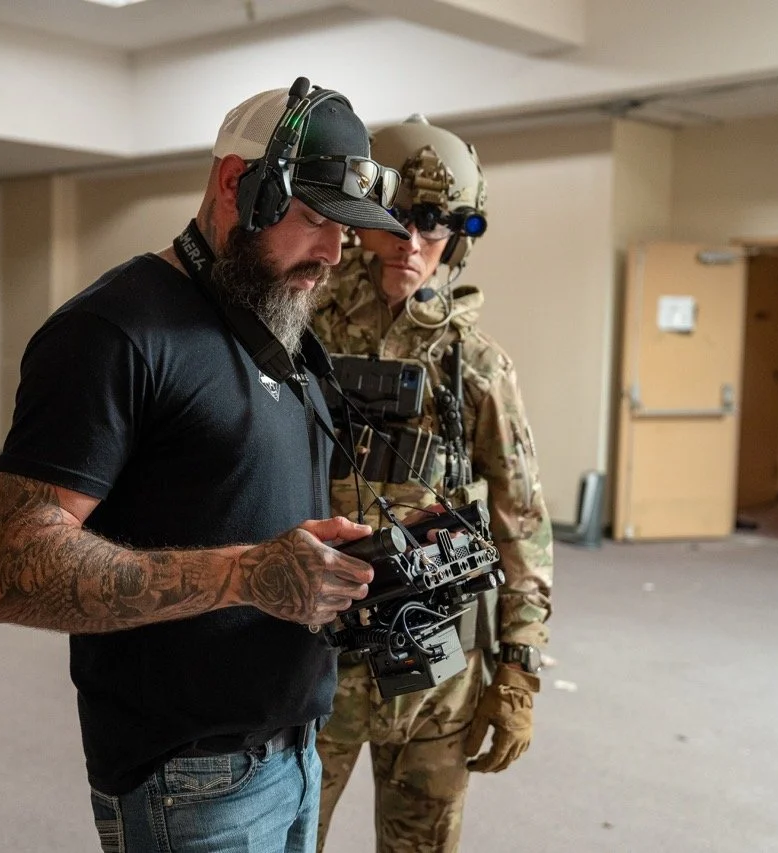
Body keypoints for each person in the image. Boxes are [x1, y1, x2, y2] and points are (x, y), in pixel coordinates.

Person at [0, 79, 411, 852]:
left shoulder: (278, 324)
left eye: (345, 229)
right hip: (192, 782)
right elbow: (8, 570)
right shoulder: (110, 332)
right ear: (237, 184)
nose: (334, 255)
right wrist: (246, 575)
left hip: (301, 748)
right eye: (314, 219)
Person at [311, 115, 554, 852]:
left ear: (458, 233)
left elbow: (522, 526)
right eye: (393, 219)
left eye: (433, 223)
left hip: (434, 668)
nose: (410, 244)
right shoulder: (297, 336)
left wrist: (518, 669)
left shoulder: (476, 365)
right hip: (311, 665)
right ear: (359, 217)